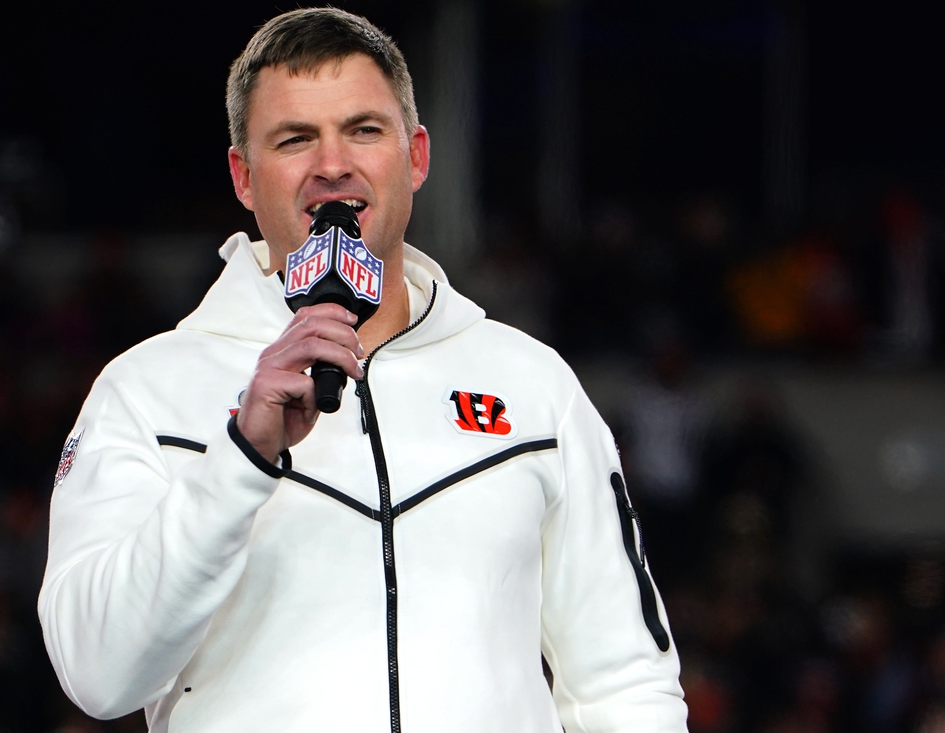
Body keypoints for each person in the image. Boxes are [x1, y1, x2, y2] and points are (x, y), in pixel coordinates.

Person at [38, 8, 687, 732]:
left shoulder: (533, 385)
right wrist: (240, 458)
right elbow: (96, 673)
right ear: (243, 177)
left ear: (415, 157)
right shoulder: (146, 390)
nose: (333, 164)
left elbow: (623, 682)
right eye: (295, 139)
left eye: (363, 130)